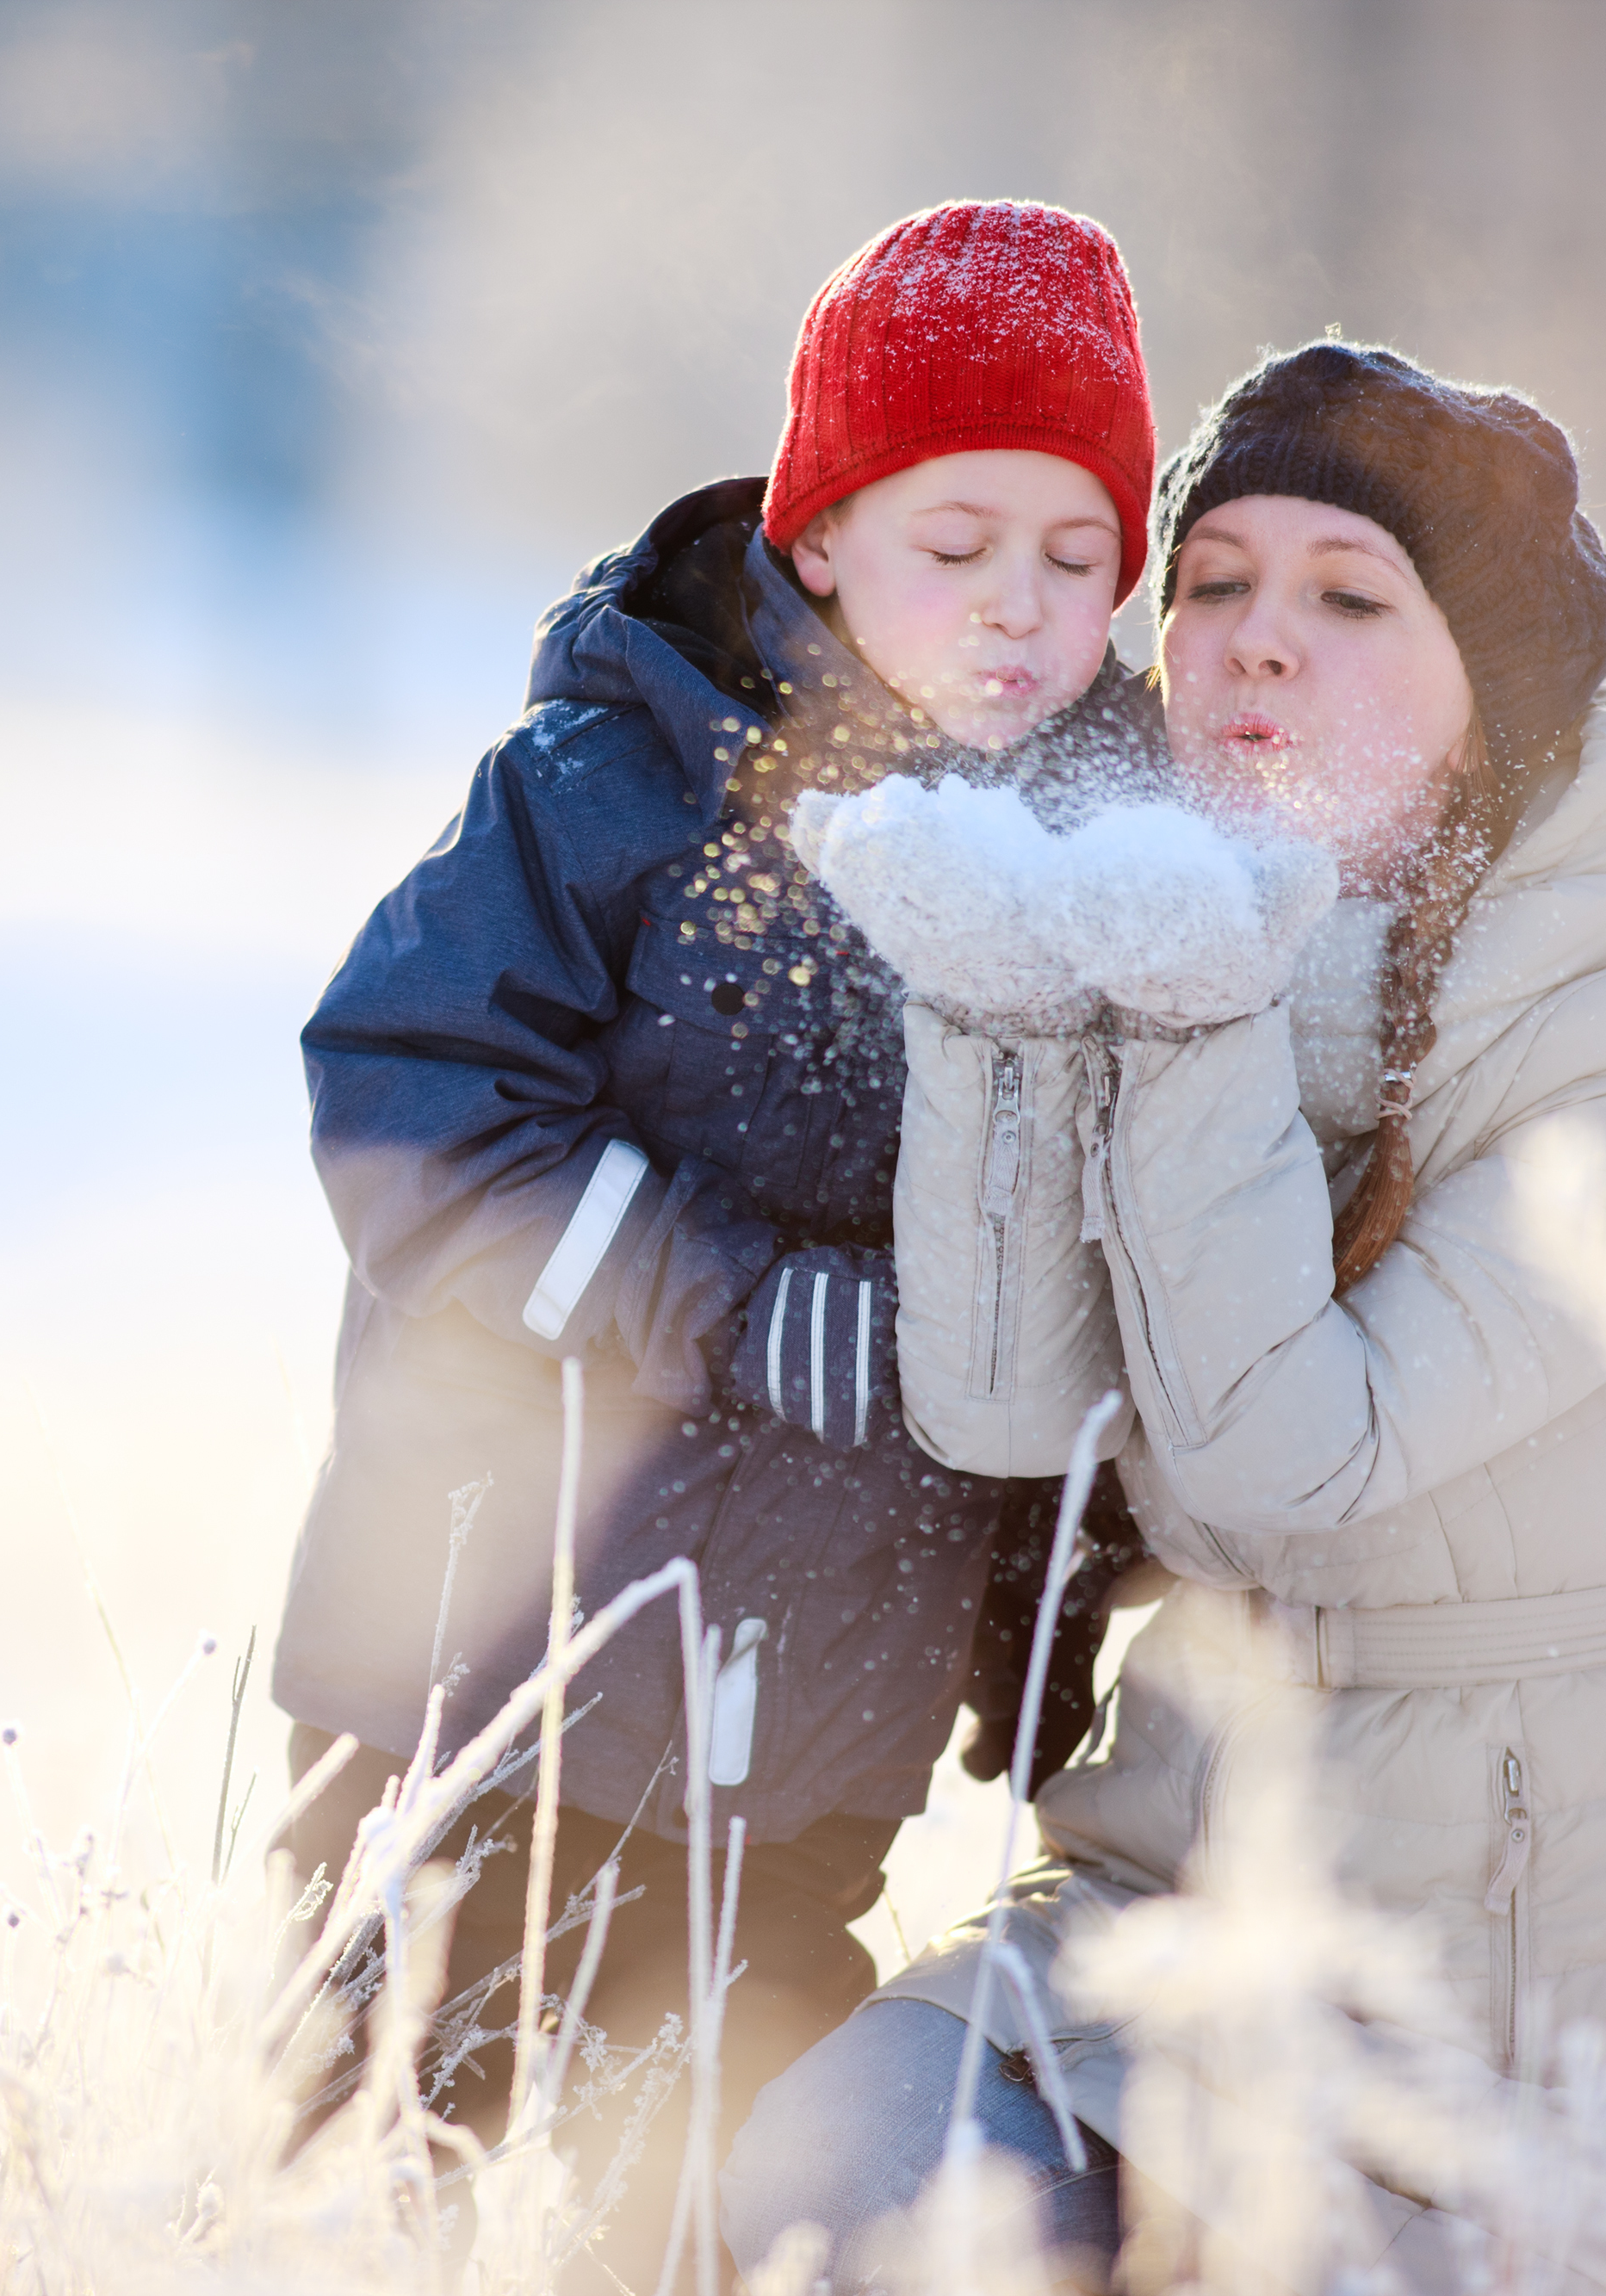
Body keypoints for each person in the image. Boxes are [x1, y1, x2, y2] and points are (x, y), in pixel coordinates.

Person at [724, 342, 1606, 2291]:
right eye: (1209, 582)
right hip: (1167, 1890)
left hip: (1511, 1973)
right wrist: (999, 1007)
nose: (1249, 641)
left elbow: (1280, 1459)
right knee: (809, 2199)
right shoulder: (1187, 918)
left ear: (1491, 686)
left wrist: (1184, 996)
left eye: (1343, 594)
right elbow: (1008, 1411)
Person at [270, 200, 1168, 2279]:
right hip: (480, 1692)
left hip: (801, 1773)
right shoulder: (627, 780)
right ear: (822, 533)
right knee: (364, 2194)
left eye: (1075, 557)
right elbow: (403, 1095)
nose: (1020, 611)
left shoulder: (1111, 869)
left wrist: (1056, 1570)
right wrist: (744, 1309)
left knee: (674, 2228)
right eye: (957, 545)